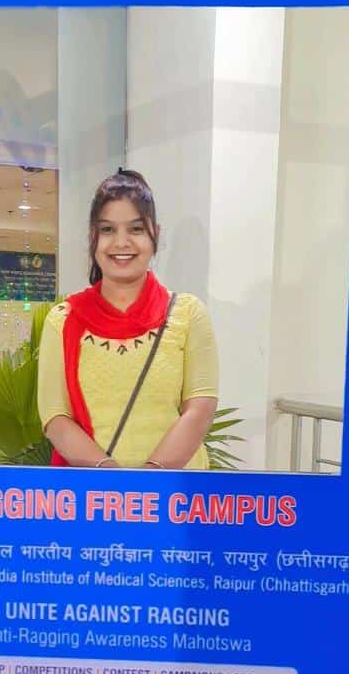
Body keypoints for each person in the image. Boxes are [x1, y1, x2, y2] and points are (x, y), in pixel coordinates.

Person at [38, 169, 218, 470]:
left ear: (155, 234)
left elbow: (200, 407)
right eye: (108, 229)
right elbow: (55, 416)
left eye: (135, 229)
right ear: (93, 237)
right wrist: (114, 482)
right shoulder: (63, 320)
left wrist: (149, 481)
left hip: (176, 491)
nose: (121, 242)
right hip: (95, 491)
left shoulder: (188, 314)